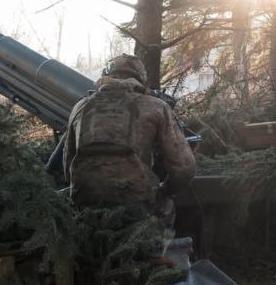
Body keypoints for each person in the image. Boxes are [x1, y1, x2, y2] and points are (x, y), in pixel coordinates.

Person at [63, 54, 196, 212]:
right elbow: (184, 168)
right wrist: (165, 191)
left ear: (106, 75)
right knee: (167, 208)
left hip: (84, 202)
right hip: (136, 202)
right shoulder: (157, 106)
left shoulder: (81, 106)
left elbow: (67, 163)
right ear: (141, 78)